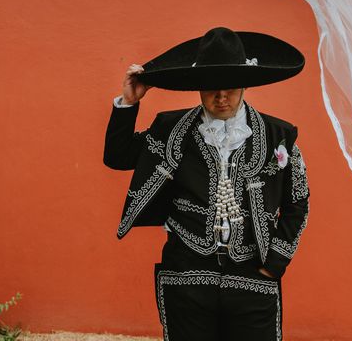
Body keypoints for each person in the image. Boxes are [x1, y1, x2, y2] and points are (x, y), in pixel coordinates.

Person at [103, 27, 309, 341]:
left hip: (253, 276)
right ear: (198, 87)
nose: (221, 97)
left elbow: (298, 200)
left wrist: (276, 262)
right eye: (211, 88)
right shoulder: (171, 128)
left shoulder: (278, 135)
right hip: (186, 276)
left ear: (245, 85)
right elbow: (118, 156)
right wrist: (129, 103)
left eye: (229, 87)